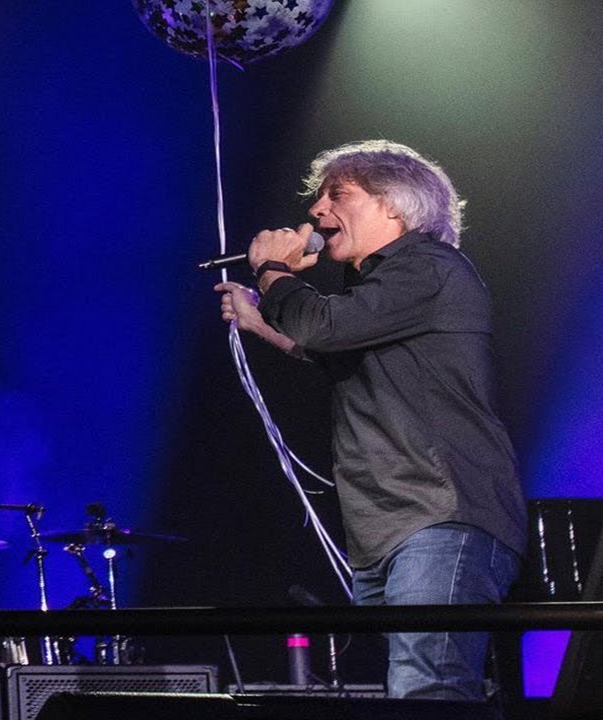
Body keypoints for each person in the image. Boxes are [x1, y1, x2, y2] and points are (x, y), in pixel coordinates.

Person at [215, 140, 526, 701]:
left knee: (428, 688)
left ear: (395, 206)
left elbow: (325, 328)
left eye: (339, 194)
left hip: (441, 510)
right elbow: (332, 344)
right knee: (424, 686)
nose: (316, 211)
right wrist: (262, 324)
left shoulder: (427, 266)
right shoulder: (382, 289)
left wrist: (273, 270)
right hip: (389, 519)